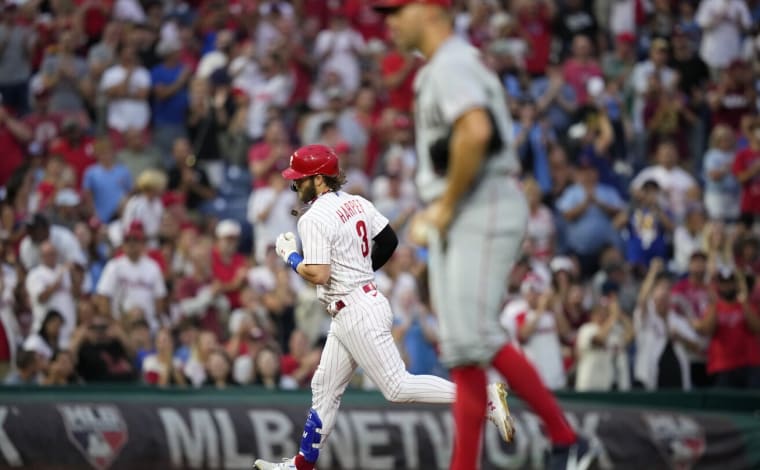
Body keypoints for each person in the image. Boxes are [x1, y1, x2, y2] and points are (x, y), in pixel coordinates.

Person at [372, 1, 589, 469]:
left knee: (478, 336)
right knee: (463, 352)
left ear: (430, 11)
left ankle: (566, 439)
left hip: (479, 204)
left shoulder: (450, 64)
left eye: (395, 11)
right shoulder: (442, 67)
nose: (387, 21)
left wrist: (445, 207)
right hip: (465, 206)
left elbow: (475, 131)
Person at [253, 144, 513, 470]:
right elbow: (389, 240)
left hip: (355, 310)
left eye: (300, 179)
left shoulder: (313, 218)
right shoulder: (357, 202)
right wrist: (360, 272)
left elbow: (318, 273)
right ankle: (301, 465)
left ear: (319, 179)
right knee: (324, 387)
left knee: (397, 387)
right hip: (359, 303)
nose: (295, 185)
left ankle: (482, 398)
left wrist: (290, 256)